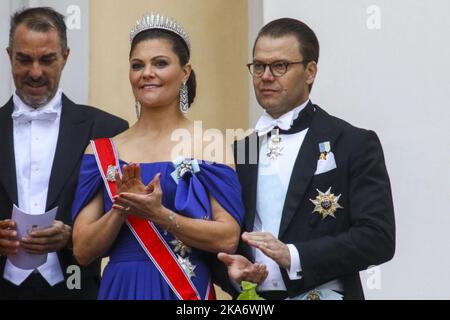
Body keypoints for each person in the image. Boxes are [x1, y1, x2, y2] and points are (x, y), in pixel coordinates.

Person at [217, 17, 395, 300]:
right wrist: (236, 275)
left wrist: (294, 256)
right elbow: (228, 236)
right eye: (259, 66)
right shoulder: (240, 150)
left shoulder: (352, 142)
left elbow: (378, 239)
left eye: (280, 66)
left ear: (310, 71)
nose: (266, 76)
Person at [71, 13, 244, 300]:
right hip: (122, 287)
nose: (146, 73)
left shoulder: (209, 143)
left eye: (160, 63)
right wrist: (122, 207)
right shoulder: (103, 151)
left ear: (185, 72)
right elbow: (83, 250)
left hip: (184, 288)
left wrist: (159, 214)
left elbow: (227, 236)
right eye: (137, 65)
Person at [0, 7, 128, 300]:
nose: (35, 72)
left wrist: (74, 235)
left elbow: (123, 220)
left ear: (66, 57)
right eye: (23, 59)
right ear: (9, 56)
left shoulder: (107, 130)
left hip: (76, 288)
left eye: (47, 60)